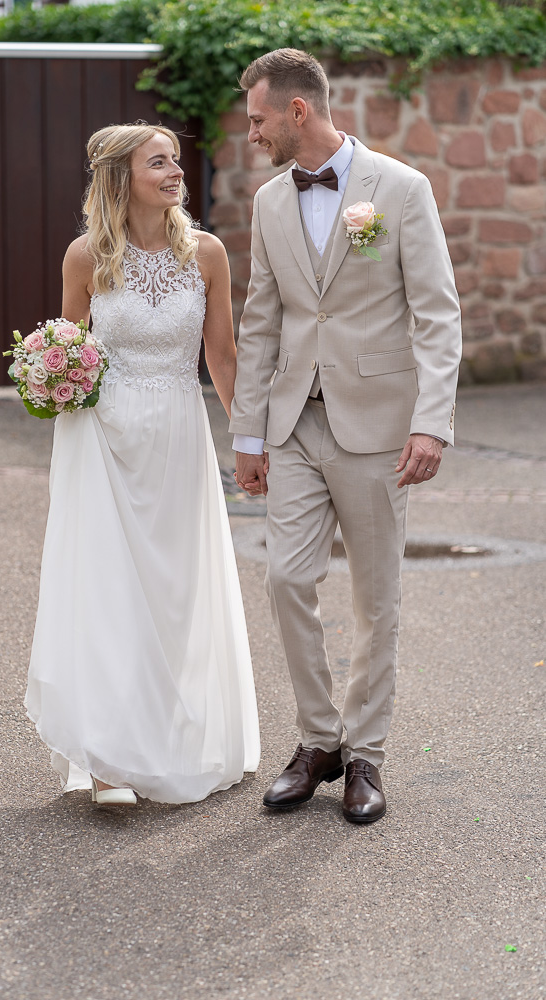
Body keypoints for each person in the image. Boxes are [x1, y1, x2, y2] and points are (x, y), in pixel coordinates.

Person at [231, 49, 462, 823]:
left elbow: (435, 312)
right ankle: (316, 740)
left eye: (258, 115)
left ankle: (365, 754)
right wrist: (248, 437)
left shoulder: (399, 189)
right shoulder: (268, 201)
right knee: (285, 580)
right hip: (294, 421)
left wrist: (431, 421)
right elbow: (262, 320)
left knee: (374, 599)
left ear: (299, 110)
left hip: (378, 426)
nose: (250, 129)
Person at [25, 123, 260, 806]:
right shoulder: (86, 257)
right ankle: (107, 759)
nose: (174, 172)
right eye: (158, 162)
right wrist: (50, 379)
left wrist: (248, 438)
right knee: (108, 590)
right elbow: (69, 347)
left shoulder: (207, 254)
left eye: (176, 162)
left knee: (174, 591)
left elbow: (221, 357)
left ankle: (177, 735)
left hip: (180, 435)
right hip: (103, 437)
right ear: (122, 178)